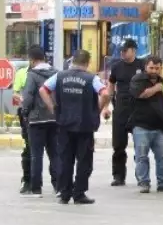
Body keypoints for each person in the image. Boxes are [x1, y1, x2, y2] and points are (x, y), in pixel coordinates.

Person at [40, 49, 111, 205]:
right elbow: (105, 94)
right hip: (84, 126)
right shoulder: (91, 79)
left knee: (65, 159)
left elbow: (43, 90)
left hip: (63, 124)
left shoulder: (59, 76)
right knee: (84, 160)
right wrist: (97, 110)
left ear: (72, 61)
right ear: (87, 62)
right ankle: (79, 194)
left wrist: (53, 108)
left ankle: (64, 194)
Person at [130, 55, 163, 194]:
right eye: (151, 68)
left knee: (162, 157)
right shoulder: (138, 79)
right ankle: (144, 183)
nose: (154, 71)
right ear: (145, 67)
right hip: (141, 124)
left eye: (157, 68)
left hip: (160, 125)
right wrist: (157, 88)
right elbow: (140, 95)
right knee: (142, 156)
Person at [18, 46, 59, 197]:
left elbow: (28, 96)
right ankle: (58, 186)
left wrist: (25, 112)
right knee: (55, 154)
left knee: (36, 155)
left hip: (36, 121)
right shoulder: (56, 73)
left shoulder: (32, 75)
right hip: (54, 119)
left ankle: (36, 188)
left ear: (32, 60)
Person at [107, 39, 143, 187]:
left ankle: (142, 176)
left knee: (140, 146)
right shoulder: (116, 67)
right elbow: (110, 86)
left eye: (125, 50)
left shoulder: (142, 65)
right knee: (118, 145)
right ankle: (118, 176)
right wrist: (106, 107)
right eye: (121, 50)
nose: (122, 53)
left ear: (134, 50)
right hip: (121, 109)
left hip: (139, 108)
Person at [13, 56, 32, 194]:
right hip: (26, 114)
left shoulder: (50, 73)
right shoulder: (21, 73)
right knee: (28, 148)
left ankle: (57, 183)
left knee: (53, 151)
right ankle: (27, 180)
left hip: (45, 117)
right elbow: (15, 93)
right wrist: (21, 99)